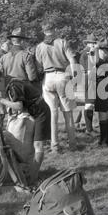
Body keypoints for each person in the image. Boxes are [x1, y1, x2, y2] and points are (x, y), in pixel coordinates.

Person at [0, 79, 51, 184]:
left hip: (41, 112)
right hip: (34, 112)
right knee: (34, 145)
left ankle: (33, 177)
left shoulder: (14, 86)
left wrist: (0, 100)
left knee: (38, 145)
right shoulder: (11, 86)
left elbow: (19, 105)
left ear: (1, 80)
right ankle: (30, 173)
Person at [35, 21, 78, 153]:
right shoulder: (62, 42)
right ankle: (72, 145)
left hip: (48, 78)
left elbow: (38, 66)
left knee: (53, 114)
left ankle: (55, 145)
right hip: (62, 75)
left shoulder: (40, 46)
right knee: (68, 113)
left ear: (44, 31)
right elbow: (72, 60)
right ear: (54, 29)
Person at [76, 34, 98, 136]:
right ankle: (89, 129)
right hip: (89, 77)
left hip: (86, 77)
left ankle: (88, 128)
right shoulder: (89, 52)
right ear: (90, 43)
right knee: (89, 104)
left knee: (89, 104)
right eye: (93, 43)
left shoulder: (84, 52)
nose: (94, 45)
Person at [94, 40, 108, 146]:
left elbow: (96, 61)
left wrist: (96, 48)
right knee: (107, 113)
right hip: (106, 87)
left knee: (103, 113)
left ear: (103, 51)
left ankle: (103, 141)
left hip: (100, 88)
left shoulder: (101, 62)